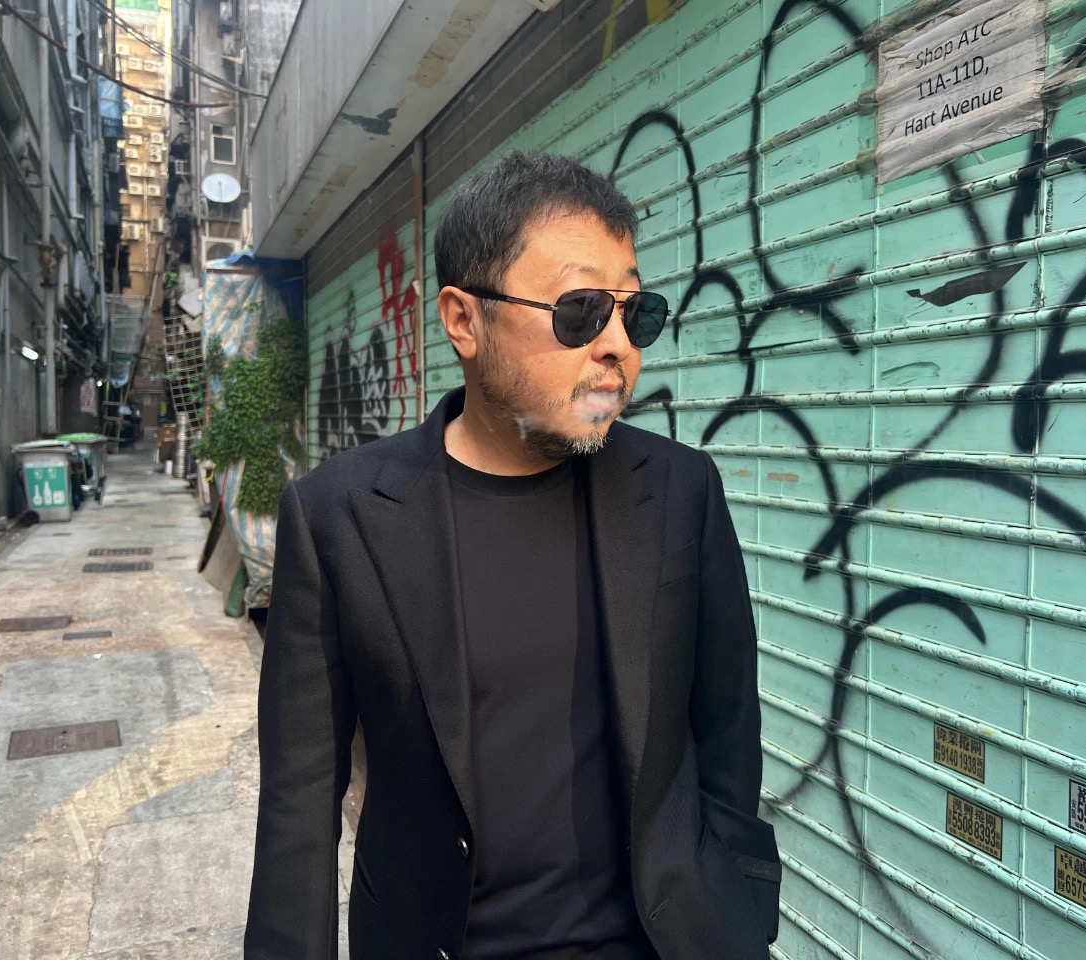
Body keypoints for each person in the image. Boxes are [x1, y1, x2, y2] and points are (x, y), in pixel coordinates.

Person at [244, 152, 781, 960]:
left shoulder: (679, 491)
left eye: (633, 314)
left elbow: (728, 730)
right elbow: (299, 800)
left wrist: (738, 909)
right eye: (580, 311)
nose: (617, 347)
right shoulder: (339, 517)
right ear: (464, 320)